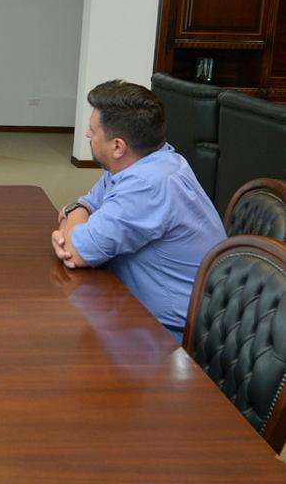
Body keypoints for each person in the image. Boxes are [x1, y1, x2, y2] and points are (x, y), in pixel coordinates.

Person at [51, 79, 225, 342]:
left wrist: (69, 231)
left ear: (118, 146)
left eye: (92, 130)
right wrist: (76, 214)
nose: (87, 135)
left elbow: (75, 253)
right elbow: (85, 203)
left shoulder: (148, 185)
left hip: (170, 334)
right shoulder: (144, 161)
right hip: (135, 307)